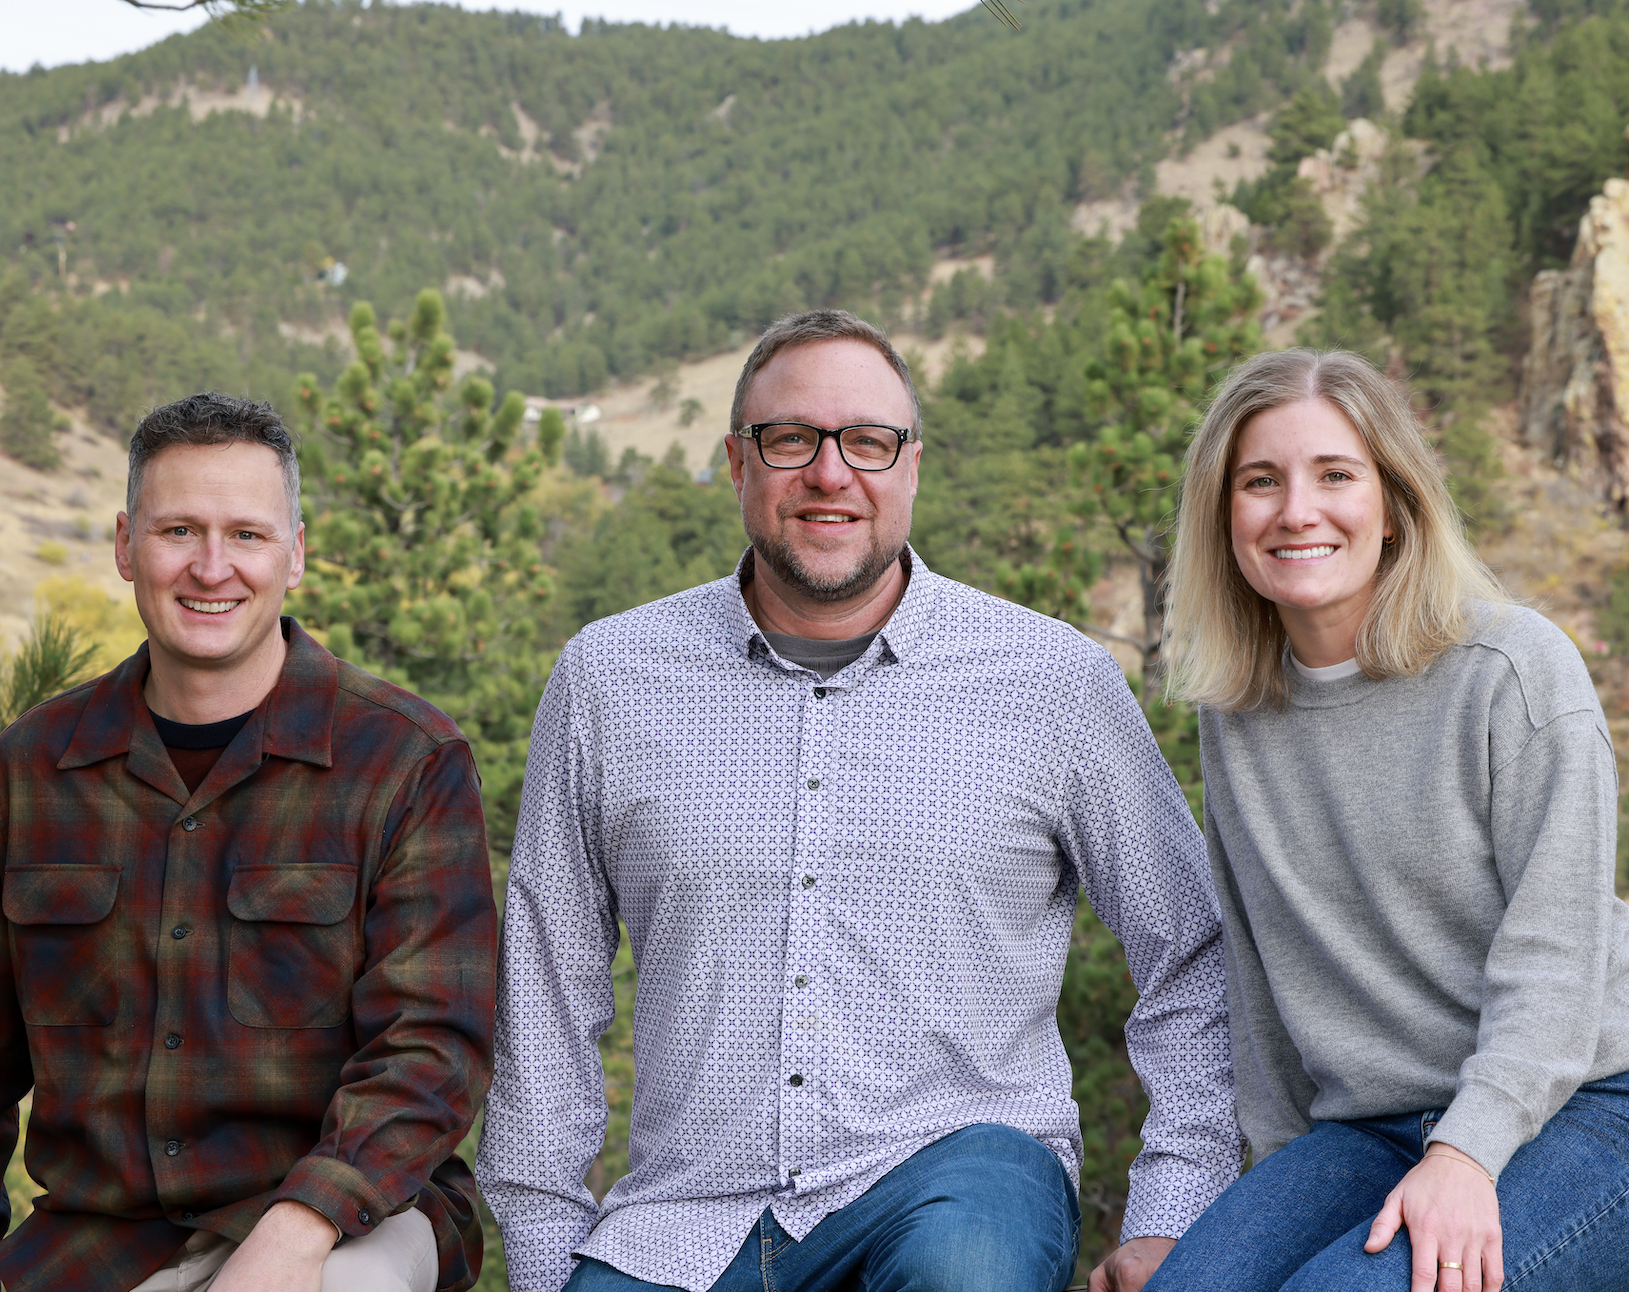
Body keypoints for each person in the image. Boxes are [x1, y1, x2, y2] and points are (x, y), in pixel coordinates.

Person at [478, 309, 1239, 1292]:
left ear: (911, 465)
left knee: (961, 1270)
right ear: (738, 463)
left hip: (961, 1189)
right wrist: (545, 1259)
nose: (831, 473)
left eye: (867, 442)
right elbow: (546, 996)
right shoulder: (609, 679)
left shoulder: (1052, 679)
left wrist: (1173, 1214)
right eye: (790, 438)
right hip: (681, 1224)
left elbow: (1195, 955)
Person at [0, 393, 499, 1292]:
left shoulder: (405, 760)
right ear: (124, 544)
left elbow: (433, 1048)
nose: (212, 567)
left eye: (247, 535)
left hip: (351, 1226)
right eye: (179, 530)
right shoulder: (32, 771)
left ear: (294, 553)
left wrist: (299, 1229)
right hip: (97, 1243)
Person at [1140, 349, 1629, 1292]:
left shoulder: (1511, 670)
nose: (1296, 510)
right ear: (1223, 515)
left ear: (1395, 505)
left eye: (1336, 475)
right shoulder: (1239, 711)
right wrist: (1277, 1189)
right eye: (1260, 481)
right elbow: (1262, 966)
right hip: (1370, 1132)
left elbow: (1556, 957)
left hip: (1594, 1114)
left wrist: (1467, 1152)